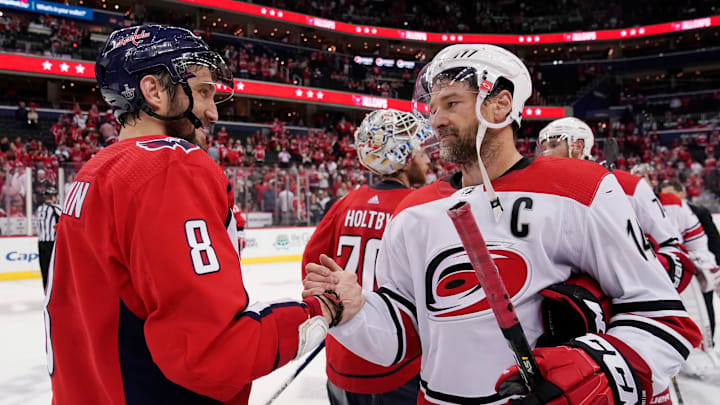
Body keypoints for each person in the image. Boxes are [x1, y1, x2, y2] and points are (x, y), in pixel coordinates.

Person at [303, 44, 701, 404]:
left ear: (500, 105)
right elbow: (402, 338)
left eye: (451, 103)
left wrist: (595, 371)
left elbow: (664, 319)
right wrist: (356, 315)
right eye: (432, 107)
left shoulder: (582, 189)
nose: (435, 120)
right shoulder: (414, 209)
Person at [45, 25, 351, 404]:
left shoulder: (94, 171)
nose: (211, 111)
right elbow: (210, 353)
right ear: (154, 91)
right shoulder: (170, 167)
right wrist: (325, 308)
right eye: (203, 92)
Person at [538, 118, 697, 403]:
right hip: (567, 331)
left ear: (577, 145)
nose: (544, 153)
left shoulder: (627, 185)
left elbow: (676, 254)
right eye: (542, 147)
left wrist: (635, 265)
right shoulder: (537, 190)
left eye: (552, 145)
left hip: (627, 330)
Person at [302, 109, 432, 405]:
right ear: (402, 155)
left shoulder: (345, 203)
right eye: (419, 149)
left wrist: (335, 317)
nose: (427, 158)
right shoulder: (419, 208)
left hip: (342, 360)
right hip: (396, 363)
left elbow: (310, 268)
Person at [36, 186, 61, 291]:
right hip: (52, 243)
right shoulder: (56, 208)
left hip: (41, 242)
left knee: (45, 270)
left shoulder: (39, 208)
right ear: (53, 197)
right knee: (54, 270)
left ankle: (47, 293)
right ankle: (55, 294)